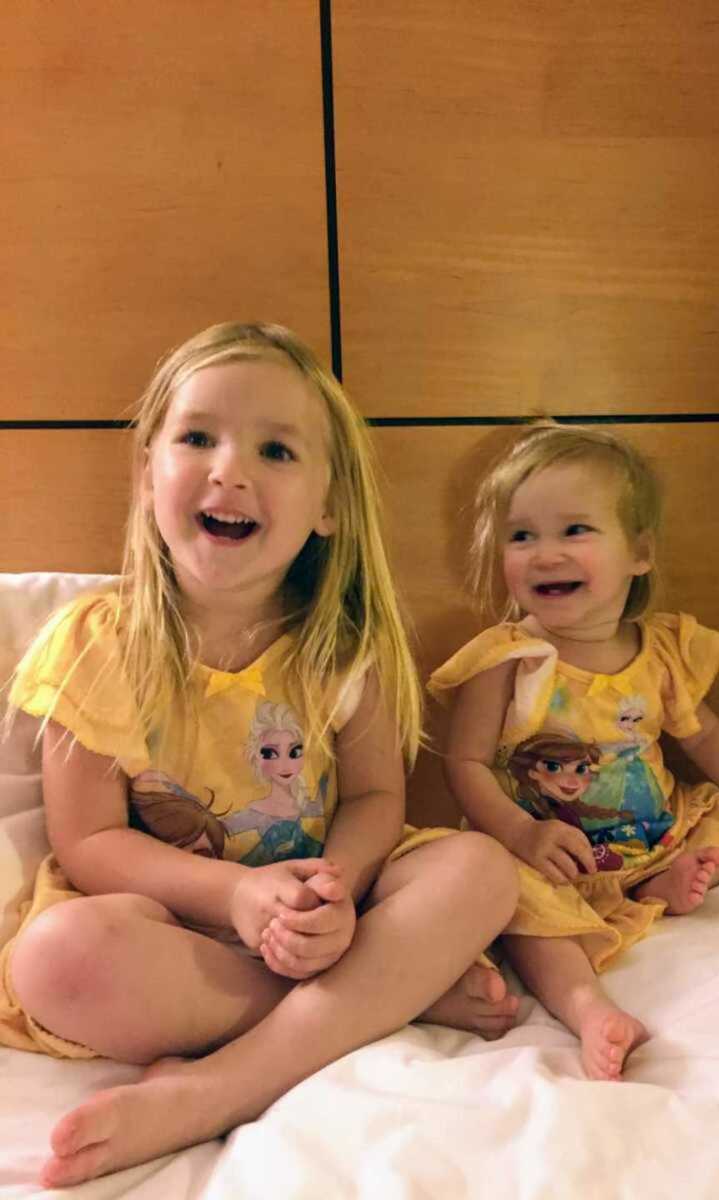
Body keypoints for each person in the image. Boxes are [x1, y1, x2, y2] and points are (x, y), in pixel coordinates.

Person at [0, 322, 519, 1187]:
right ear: (148, 475)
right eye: (197, 437)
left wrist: (333, 892)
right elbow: (89, 843)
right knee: (54, 958)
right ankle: (385, 994)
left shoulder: (344, 648)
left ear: (328, 508)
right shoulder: (97, 644)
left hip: (327, 910)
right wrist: (237, 894)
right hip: (177, 930)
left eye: (275, 450)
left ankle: (217, 1087)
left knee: (482, 870)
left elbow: (374, 800)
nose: (228, 469)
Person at [430, 420, 719, 1084]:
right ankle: (588, 1008)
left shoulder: (661, 652)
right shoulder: (508, 660)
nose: (545, 553)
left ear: (639, 553)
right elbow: (465, 765)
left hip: (656, 834)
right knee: (518, 908)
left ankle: (652, 885)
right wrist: (521, 832)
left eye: (575, 531)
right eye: (522, 535)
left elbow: (710, 740)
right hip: (552, 855)